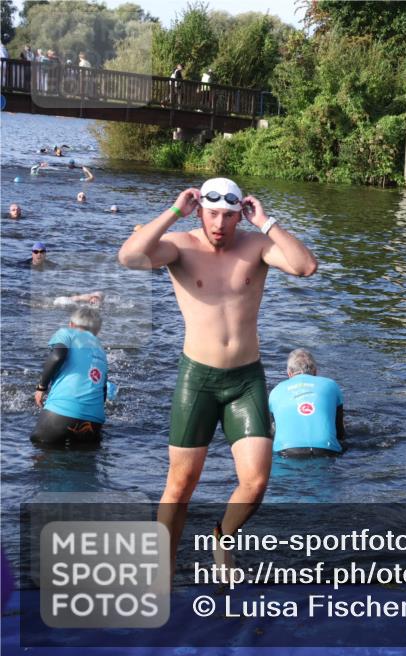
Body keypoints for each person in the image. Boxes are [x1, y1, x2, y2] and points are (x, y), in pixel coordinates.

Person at [117, 177, 318, 578]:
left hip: (246, 380)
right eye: (213, 214)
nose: (220, 224)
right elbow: (130, 257)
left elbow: (305, 266)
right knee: (180, 487)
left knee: (256, 482)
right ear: (201, 210)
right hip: (198, 380)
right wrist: (175, 210)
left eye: (229, 215)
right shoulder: (180, 245)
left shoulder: (256, 245)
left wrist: (267, 221)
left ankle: (222, 535)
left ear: (238, 214)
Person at [31, 307, 108, 447]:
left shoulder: (67, 333)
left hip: (61, 414)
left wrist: (41, 387)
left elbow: (57, 356)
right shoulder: (101, 350)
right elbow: (103, 390)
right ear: (97, 331)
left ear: (71, 324)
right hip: (94, 422)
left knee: (41, 452)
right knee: (80, 464)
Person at [269, 349, 345, 457]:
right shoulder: (331, 385)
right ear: (315, 371)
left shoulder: (276, 391)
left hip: (286, 451)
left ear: (289, 373)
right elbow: (340, 432)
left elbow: (272, 433)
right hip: (327, 449)